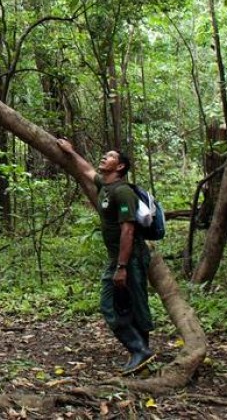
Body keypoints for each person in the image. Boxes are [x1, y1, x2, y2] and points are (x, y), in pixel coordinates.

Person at [57, 138, 155, 374]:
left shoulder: (123, 193)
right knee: (119, 305)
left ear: (120, 167)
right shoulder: (106, 186)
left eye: (110, 156)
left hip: (129, 259)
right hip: (118, 259)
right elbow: (88, 170)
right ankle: (140, 352)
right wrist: (71, 152)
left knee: (126, 304)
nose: (104, 157)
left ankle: (140, 351)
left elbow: (128, 230)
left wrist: (122, 266)